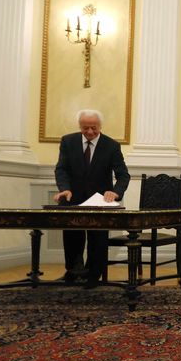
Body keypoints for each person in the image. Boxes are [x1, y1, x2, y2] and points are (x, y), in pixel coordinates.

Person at [53, 109, 130, 288]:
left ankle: (93, 275)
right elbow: (61, 169)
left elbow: (123, 175)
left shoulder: (111, 145)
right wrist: (64, 189)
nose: (89, 132)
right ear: (79, 126)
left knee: (97, 239)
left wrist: (116, 192)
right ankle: (73, 271)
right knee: (72, 237)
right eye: (85, 128)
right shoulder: (68, 141)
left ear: (100, 126)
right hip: (73, 198)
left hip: (100, 201)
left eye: (94, 128)